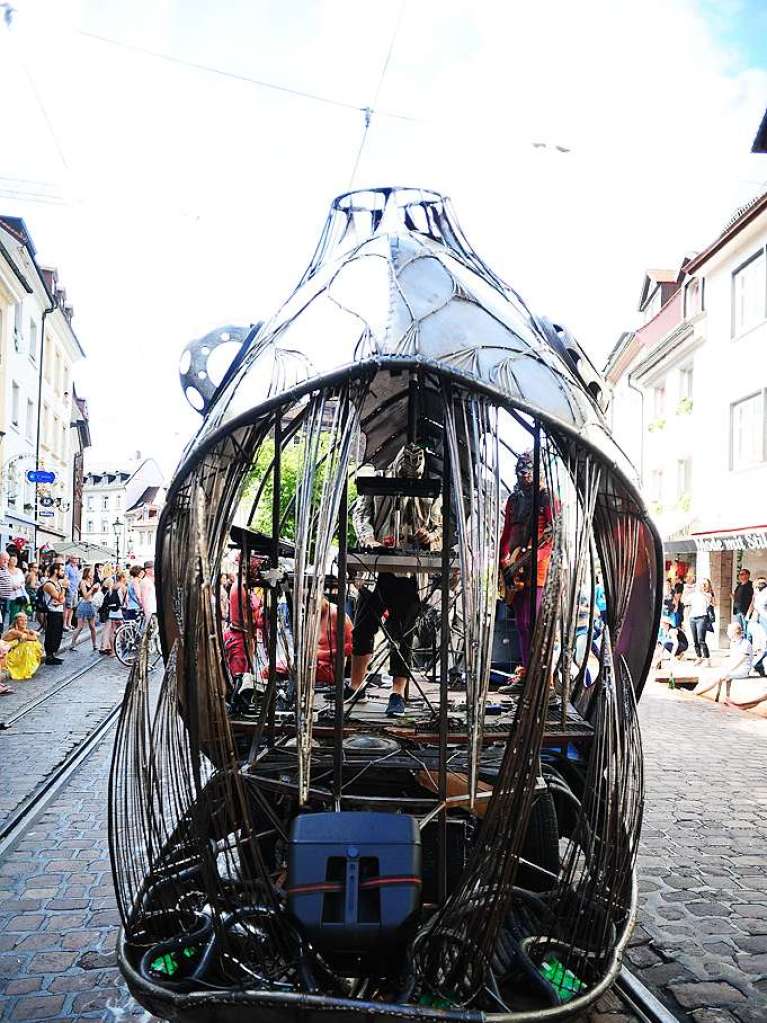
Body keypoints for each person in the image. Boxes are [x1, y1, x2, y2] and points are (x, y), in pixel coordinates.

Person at [349, 442, 442, 717]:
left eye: (414, 475)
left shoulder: (430, 491)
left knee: (404, 633)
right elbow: (360, 513)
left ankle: (397, 693)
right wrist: (369, 539)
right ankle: (355, 686)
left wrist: (430, 537)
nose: (408, 478)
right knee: (363, 626)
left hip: (409, 571)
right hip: (377, 567)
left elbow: (438, 527)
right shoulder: (378, 483)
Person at [498, 451, 555, 669]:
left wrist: (535, 557)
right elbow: (507, 532)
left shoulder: (546, 497)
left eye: (527, 472)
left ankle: (541, 674)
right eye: (519, 472)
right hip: (515, 566)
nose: (523, 476)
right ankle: (526, 670)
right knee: (521, 623)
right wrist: (503, 561)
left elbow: (551, 533)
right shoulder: (513, 500)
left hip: (538, 569)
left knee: (535, 621)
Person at [693, 622, 752, 702]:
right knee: (713, 674)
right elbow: (732, 658)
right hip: (734, 668)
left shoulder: (745, 643)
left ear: (734, 632)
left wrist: (729, 670)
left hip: (742, 669)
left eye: (729, 631)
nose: (727, 633)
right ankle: (719, 696)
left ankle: (695, 693)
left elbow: (741, 660)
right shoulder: (733, 643)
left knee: (720, 676)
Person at [3, 611, 44, 680]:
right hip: (6, 655)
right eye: (21, 620)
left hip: (12, 651)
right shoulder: (14, 631)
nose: (24, 622)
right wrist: (31, 632)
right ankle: (27, 668)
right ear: (16, 622)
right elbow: (33, 638)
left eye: (25, 620)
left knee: (31, 644)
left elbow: (38, 634)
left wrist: (30, 631)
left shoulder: (22, 630)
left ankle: (30, 665)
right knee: (28, 645)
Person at [69, 567, 100, 652]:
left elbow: (91, 596)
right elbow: (85, 595)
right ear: (86, 573)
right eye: (90, 572)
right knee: (80, 627)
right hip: (83, 605)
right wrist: (93, 588)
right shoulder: (82, 582)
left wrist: (95, 590)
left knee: (92, 627)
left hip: (90, 604)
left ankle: (94, 645)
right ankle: (72, 644)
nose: (92, 574)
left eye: (92, 573)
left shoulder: (91, 582)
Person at [41, 560, 66, 664]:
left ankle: (53, 655)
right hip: (52, 612)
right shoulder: (49, 584)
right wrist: (64, 588)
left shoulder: (57, 583)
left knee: (58, 634)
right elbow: (60, 598)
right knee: (52, 634)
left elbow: (62, 600)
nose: (63, 573)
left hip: (58, 611)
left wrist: (61, 599)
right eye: (62, 570)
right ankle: (49, 656)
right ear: (56, 571)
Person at [689, 578, 715, 666]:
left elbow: (710, 602)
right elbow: (685, 601)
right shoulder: (694, 594)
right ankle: (698, 657)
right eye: (700, 584)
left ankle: (707, 658)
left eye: (704, 585)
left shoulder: (708, 595)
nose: (701, 586)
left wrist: (702, 592)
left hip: (702, 617)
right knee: (695, 639)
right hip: (693, 617)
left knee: (701, 639)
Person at [99, 575, 125, 656]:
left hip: (111, 612)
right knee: (123, 629)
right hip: (119, 611)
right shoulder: (123, 587)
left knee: (112, 631)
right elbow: (125, 601)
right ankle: (123, 647)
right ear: (123, 578)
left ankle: (113, 651)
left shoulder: (111, 589)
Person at [732, 568, 753, 639]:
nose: (740, 576)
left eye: (742, 574)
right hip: (738, 610)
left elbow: (752, 599)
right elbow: (736, 597)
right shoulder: (739, 585)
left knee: (746, 628)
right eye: (739, 574)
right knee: (739, 629)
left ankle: (747, 644)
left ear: (747, 575)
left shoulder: (751, 585)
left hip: (745, 611)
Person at [7, 555, 27, 622]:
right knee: (9, 615)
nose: (15, 561)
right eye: (13, 560)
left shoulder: (19, 570)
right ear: (9, 561)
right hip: (8, 595)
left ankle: (15, 629)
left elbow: (23, 581)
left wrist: (19, 585)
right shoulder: (5, 571)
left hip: (19, 595)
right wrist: (12, 587)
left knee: (16, 615)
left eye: (16, 560)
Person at [64, 556, 81, 631]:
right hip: (69, 590)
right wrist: (68, 589)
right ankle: (64, 624)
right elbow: (65, 579)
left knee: (72, 608)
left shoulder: (76, 568)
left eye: (77, 558)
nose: (76, 559)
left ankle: (69, 623)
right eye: (74, 558)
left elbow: (76, 579)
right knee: (67, 608)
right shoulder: (67, 568)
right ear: (71, 559)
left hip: (75, 590)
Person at [0, 551, 13, 630]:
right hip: (0, 599)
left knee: (3, 619)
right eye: (4, 559)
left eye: (7, 560)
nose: (6, 562)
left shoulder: (5, 569)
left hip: (6, 599)